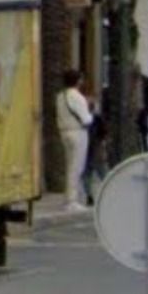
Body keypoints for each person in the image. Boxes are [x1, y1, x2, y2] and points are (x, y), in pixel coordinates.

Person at [56, 70, 94, 210]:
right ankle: (72, 200)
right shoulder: (78, 97)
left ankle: (70, 197)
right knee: (76, 166)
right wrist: (91, 112)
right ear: (78, 81)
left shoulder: (60, 96)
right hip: (78, 132)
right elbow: (86, 119)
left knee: (70, 164)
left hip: (64, 131)